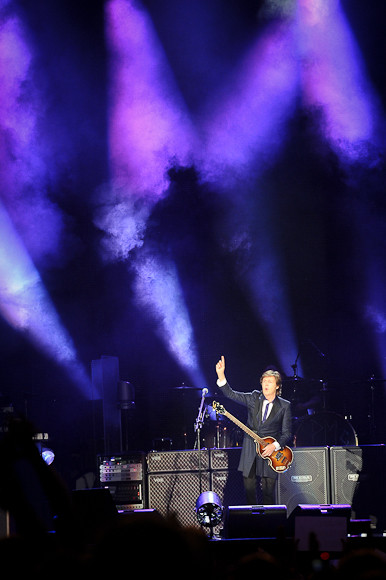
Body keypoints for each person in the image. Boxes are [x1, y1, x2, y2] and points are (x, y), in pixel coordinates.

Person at [215, 355, 292, 505]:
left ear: (277, 385)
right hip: (251, 448)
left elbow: (287, 433)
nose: (266, 384)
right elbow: (231, 394)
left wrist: (274, 446)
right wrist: (221, 375)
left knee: (268, 492)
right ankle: (254, 518)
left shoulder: (285, 405)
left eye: (270, 382)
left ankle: (269, 521)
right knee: (249, 489)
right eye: (264, 381)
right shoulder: (253, 397)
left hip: (272, 452)